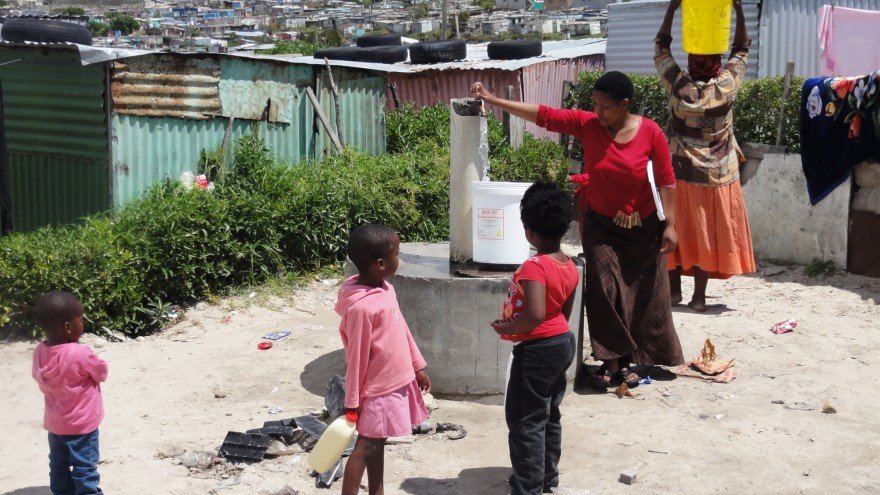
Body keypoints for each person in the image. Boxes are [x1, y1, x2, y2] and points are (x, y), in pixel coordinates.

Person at [471, 72, 685, 390]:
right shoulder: (588, 125)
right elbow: (545, 116)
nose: (597, 112)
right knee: (603, 288)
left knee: (647, 295)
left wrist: (670, 225)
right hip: (600, 225)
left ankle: (636, 360)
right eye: (594, 104)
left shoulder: (650, 132)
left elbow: (667, 180)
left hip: (643, 227)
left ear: (625, 104)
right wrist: (493, 100)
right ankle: (613, 362)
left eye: (605, 106)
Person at [656, 0, 756, 312]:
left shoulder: (678, 85)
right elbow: (741, 49)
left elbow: (661, 48)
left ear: (692, 59)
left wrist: (673, 10)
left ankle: (674, 292)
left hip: (679, 173)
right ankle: (699, 298)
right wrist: (738, 11)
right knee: (705, 234)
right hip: (718, 177)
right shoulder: (727, 85)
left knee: (676, 228)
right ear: (716, 62)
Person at [491, 182, 579, 495]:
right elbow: (562, 313)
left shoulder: (534, 267)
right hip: (562, 343)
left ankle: (527, 487)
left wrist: (509, 328)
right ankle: (546, 478)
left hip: (537, 350)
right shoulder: (570, 265)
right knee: (549, 414)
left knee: (525, 420)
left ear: (529, 231)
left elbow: (535, 314)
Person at [334, 224, 432, 495]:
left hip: (394, 383)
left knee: (378, 444)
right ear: (380, 263)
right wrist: (351, 402)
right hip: (377, 391)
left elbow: (400, 329)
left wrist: (416, 365)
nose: (399, 260)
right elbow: (356, 358)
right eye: (397, 254)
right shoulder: (362, 308)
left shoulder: (385, 289)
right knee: (365, 449)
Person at [32, 291, 108, 495]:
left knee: (58, 465)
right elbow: (101, 373)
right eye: (80, 320)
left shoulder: (39, 351)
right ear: (68, 327)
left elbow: (38, 377)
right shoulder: (80, 353)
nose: (82, 325)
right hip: (82, 425)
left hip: (55, 424)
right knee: (84, 468)